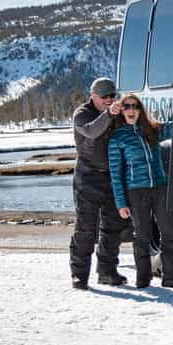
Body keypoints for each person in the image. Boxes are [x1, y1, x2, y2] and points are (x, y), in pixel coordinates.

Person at [107, 93, 173, 288]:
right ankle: (143, 279)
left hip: (160, 188)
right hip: (137, 192)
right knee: (142, 236)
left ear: (140, 109)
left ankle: (171, 277)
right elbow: (116, 175)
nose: (131, 110)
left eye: (134, 106)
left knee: (170, 233)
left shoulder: (152, 130)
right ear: (121, 111)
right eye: (126, 106)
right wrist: (121, 203)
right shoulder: (117, 138)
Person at [69, 77, 130, 290]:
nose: (109, 99)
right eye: (104, 96)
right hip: (87, 177)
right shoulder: (82, 114)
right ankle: (79, 275)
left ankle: (107, 272)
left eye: (112, 95)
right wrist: (108, 114)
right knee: (86, 228)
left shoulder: (117, 111)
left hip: (113, 177)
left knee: (114, 227)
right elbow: (92, 131)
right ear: (93, 96)